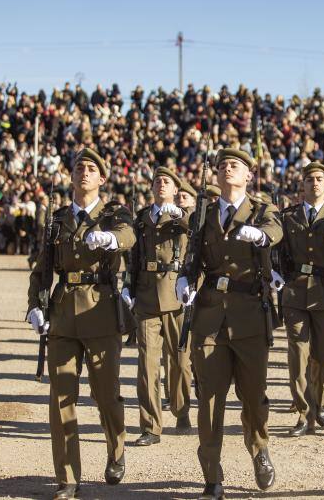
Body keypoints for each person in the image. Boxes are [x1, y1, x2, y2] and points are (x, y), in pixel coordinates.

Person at [26, 148, 135, 499]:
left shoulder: (114, 213)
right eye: (78, 168)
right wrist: (34, 305)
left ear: (102, 178)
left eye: (91, 169)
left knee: (105, 395)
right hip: (62, 313)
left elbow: (129, 236)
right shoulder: (58, 220)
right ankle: (68, 478)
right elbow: (43, 268)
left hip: (100, 310)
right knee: (61, 399)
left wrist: (112, 239)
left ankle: (116, 449)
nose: (84, 173)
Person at [176, 148, 282, 499]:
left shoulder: (263, 210)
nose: (226, 169)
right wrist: (185, 279)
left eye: (234, 165)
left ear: (249, 175)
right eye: (221, 166)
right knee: (208, 399)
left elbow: (274, 230)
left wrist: (260, 236)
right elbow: (192, 258)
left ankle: (259, 446)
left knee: (253, 397)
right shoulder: (203, 213)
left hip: (250, 315)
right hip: (209, 317)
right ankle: (212, 474)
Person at [275, 162, 324, 437]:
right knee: (298, 354)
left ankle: (319, 401)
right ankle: (301, 412)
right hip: (295, 292)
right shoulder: (289, 216)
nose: (314, 183)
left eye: (320, 179)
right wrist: (274, 273)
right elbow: (276, 247)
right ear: (303, 184)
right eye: (309, 179)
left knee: (322, 356)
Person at [123, 167, 193, 447]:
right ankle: (151, 425)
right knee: (147, 364)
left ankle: (181, 409)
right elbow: (133, 256)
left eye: (167, 182)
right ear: (151, 187)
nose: (162, 184)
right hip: (147, 295)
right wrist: (127, 286)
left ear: (177, 190)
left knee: (179, 362)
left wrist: (181, 213)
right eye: (157, 181)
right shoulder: (141, 219)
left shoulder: (183, 217)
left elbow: (196, 233)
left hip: (176, 294)